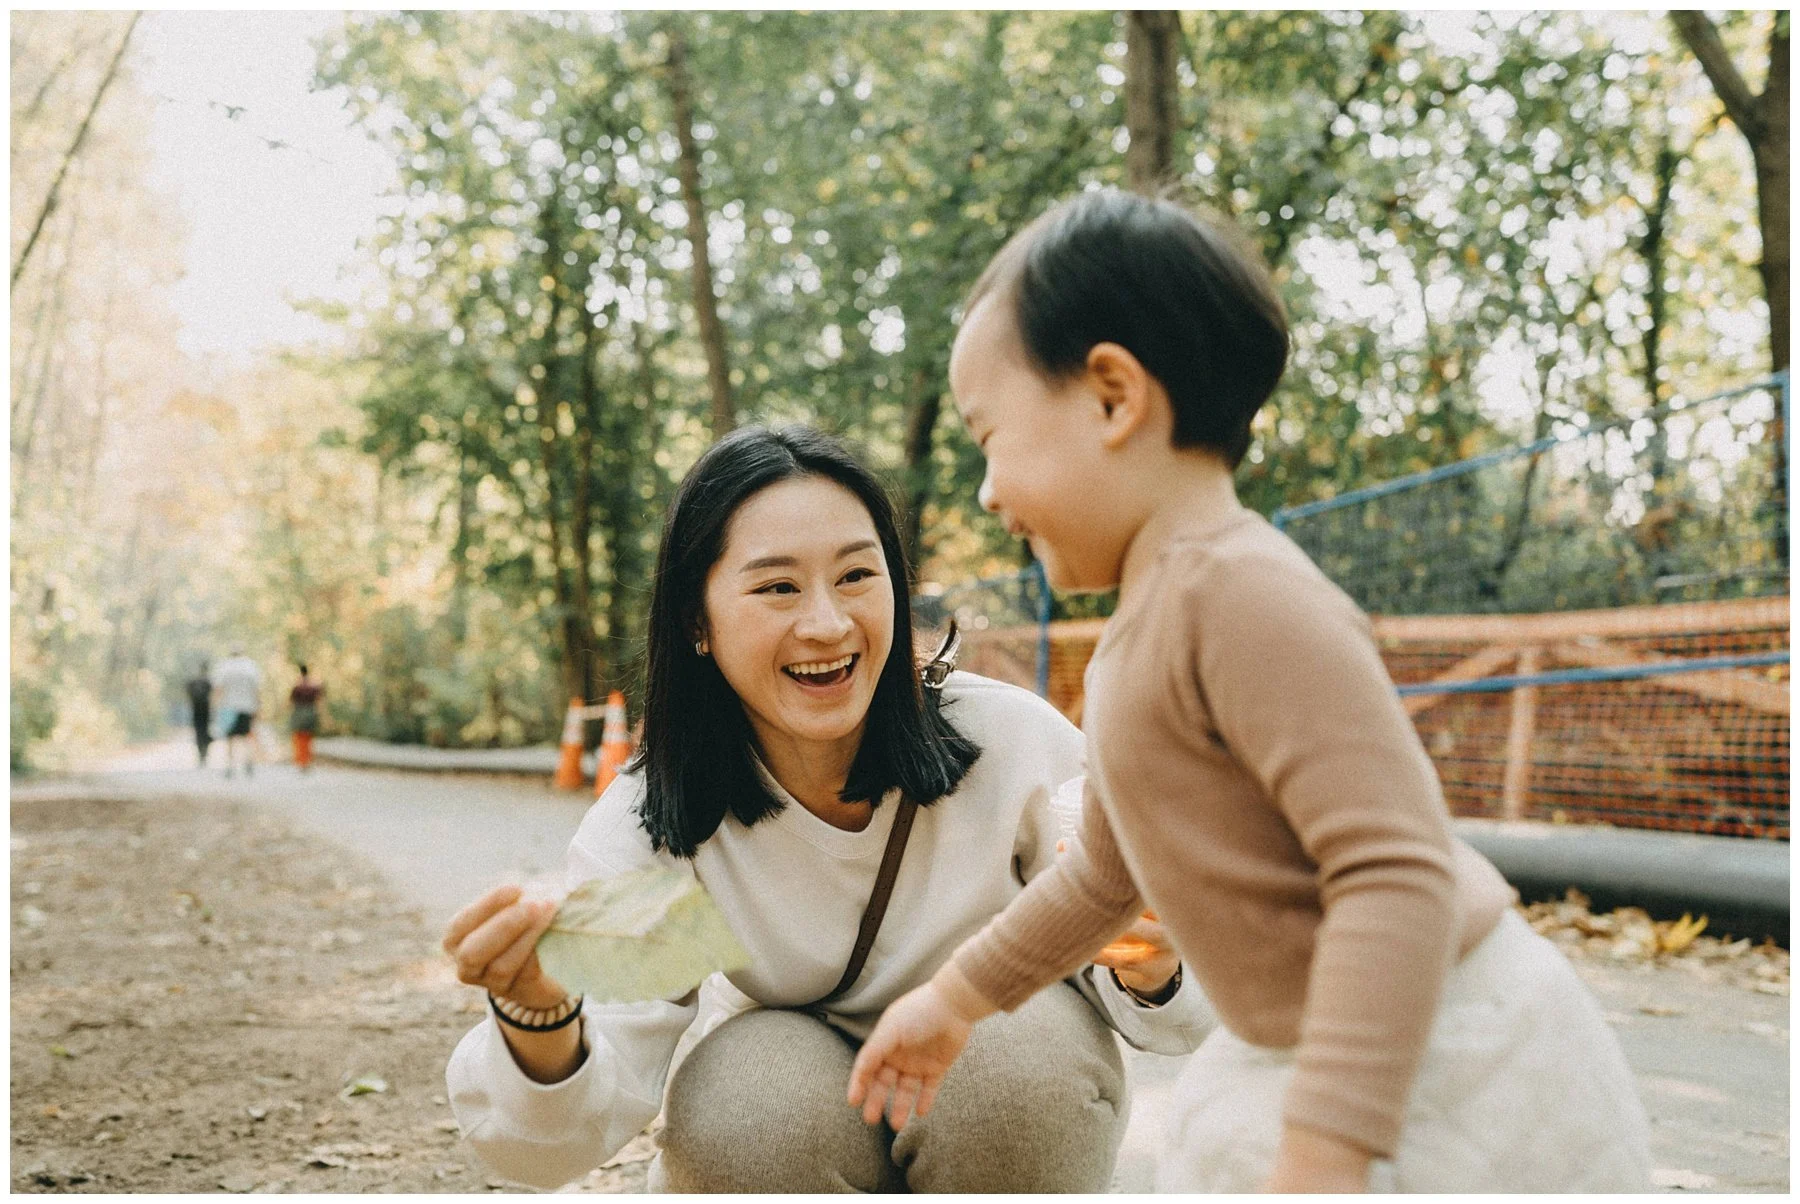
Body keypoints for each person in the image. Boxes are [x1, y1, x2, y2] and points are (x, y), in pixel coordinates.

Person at [847, 190, 1651, 1193]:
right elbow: (1104, 878)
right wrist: (958, 997)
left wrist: (1325, 1150)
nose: (986, 491)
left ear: (1111, 396)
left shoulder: (1240, 593)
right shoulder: (1146, 627)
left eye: (989, 437)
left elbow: (1395, 872)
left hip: (1436, 1053)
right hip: (1321, 1051)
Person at [441, 425, 1213, 1192]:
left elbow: (1190, 1007)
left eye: (855, 576)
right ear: (695, 622)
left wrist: (1157, 960)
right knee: (748, 1102)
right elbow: (557, 1142)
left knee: (1020, 1061)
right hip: (803, 1093)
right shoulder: (663, 817)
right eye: (778, 587)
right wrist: (538, 1013)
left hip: (995, 1067)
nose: (828, 623)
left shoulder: (1006, 744)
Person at [210, 648, 262, 779]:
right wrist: (258, 707)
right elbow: (256, 689)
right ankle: (248, 762)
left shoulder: (224, 667)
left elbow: (218, 689)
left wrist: (215, 707)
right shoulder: (250, 667)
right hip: (247, 707)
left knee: (229, 738)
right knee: (246, 736)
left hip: (228, 707)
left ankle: (229, 766)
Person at [289, 664, 323, 772]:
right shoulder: (314, 686)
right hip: (311, 712)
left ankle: (301, 760)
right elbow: (319, 699)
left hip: (299, 712)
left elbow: (291, 701)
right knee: (308, 738)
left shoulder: (297, 686)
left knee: (299, 737)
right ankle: (306, 760)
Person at [184, 661, 213, 768]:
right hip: (205, 710)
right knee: (205, 731)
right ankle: (203, 752)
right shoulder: (208, 682)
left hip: (196, 710)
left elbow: (187, 694)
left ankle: (201, 753)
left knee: (198, 731)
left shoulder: (192, 682)